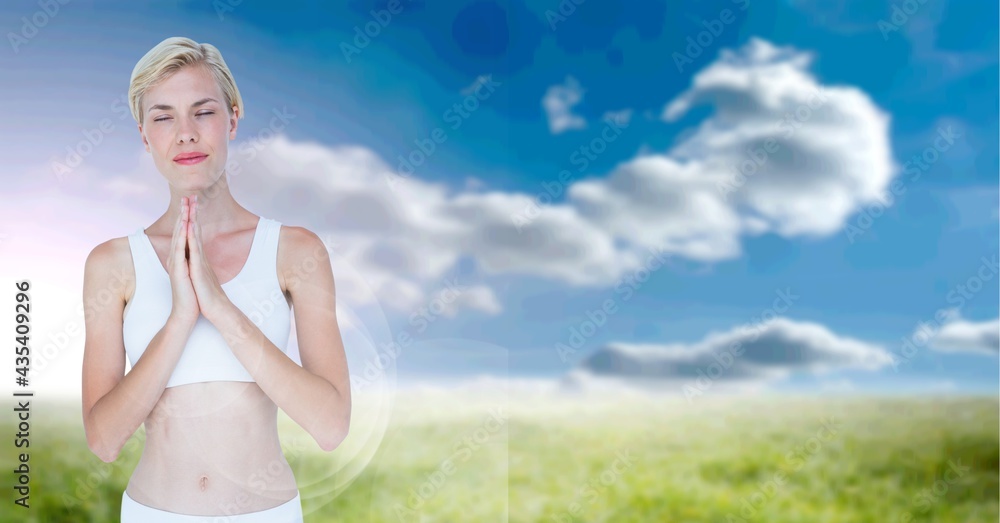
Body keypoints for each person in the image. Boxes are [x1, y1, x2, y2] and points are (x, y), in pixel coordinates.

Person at [80, 36, 351, 522]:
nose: (184, 133)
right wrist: (181, 317)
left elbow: (330, 426)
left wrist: (220, 307)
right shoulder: (112, 264)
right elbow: (103, 440)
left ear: (233, 117)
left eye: (202, 112)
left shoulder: (296, 252)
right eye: (163, 117)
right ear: (145, 135)